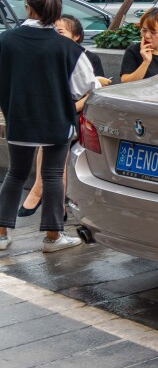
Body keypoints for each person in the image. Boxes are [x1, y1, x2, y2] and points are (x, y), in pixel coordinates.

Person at [0, 0, 99, 252]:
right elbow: (86, 85)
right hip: (56, 120)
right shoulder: (67, 47)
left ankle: (0, 234)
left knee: (16, 173)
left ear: (29, 8)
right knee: (53, 174)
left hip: (18, 119)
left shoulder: (6, 40)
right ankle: (53, 237)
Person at [17, 15, 111, 217]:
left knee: (55, 134)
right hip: (59, 115)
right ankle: (56, 209)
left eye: (61, 33)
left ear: (76, 36)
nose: (55, 38)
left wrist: (64, 109)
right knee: (55, 134)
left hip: (80, 117)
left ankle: (40, 191)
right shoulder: (49, 57)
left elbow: (93, 95)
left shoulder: (88, 58)